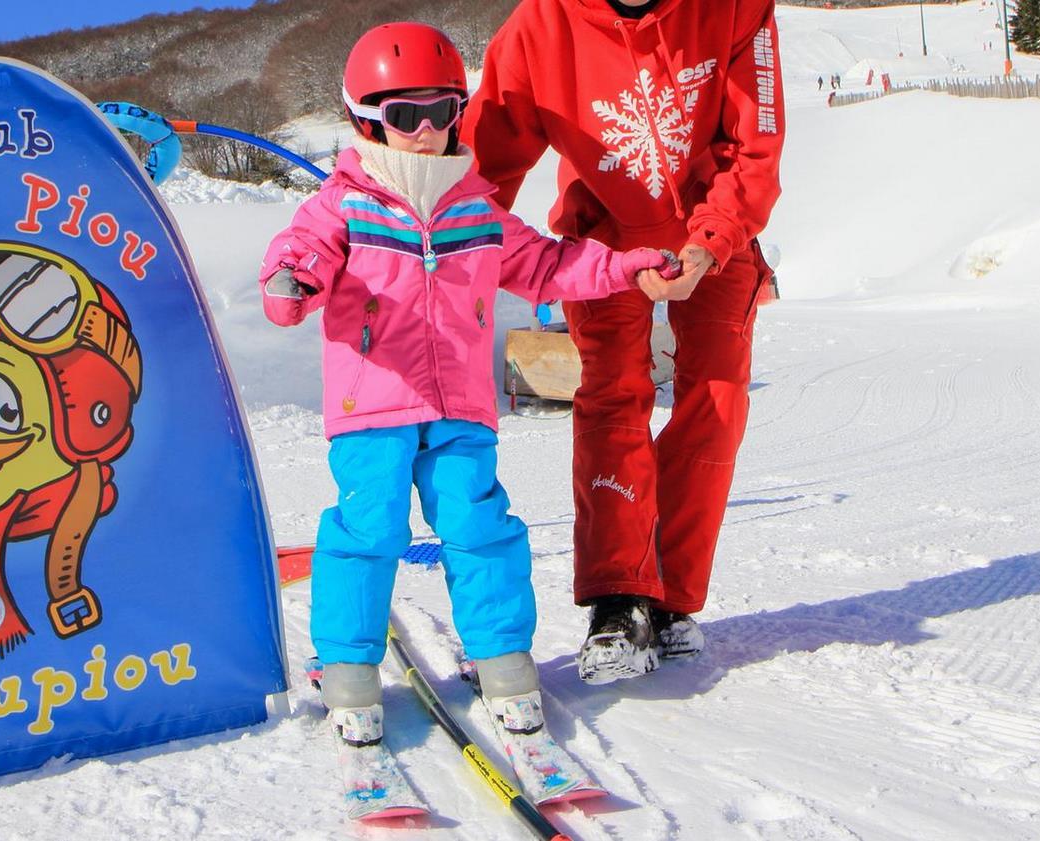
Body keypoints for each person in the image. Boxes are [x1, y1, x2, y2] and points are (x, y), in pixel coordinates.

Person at [259, 22, 679, 761]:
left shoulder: (476, 209)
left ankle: (502, 658)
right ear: (364, 117)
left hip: (458, 407)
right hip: (373, 404)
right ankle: (351, 666)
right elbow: (303, 251)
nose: (424, 132)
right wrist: (290, 282)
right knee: (368, 528)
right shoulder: (346, 203)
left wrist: (625, 267)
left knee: (479, 523)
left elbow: (549, 267)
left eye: (441, 111)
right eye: (403, 115)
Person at [467, 0, 785, 684]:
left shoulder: (734, 10)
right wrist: (432, 239)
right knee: (614, 397)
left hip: (715, 228)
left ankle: (667, 595)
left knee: (718, 397)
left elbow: (755, 146)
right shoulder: (539, 29)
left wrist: (710, 243)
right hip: (604, 236)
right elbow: (479, 168)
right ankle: (618, 595)